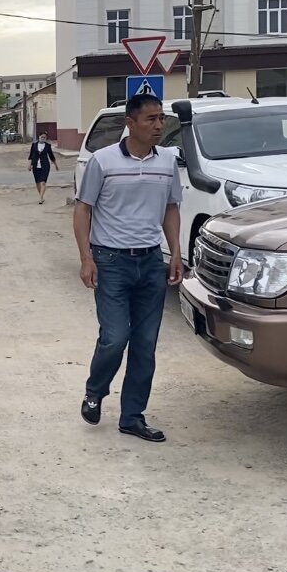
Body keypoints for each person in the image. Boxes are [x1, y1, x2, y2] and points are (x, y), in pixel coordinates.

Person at [73, 93, 184, 443]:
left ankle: (132, 417)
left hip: (150, 262)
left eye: (161, 118)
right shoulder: (103, 161)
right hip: (111, 262)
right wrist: (86, 258)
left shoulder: (167, 162)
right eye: (151, 119)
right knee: (115, 337)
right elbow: (83, 209)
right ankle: (95, 391)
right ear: (130, 123)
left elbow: (171, 208)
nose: (158, 125)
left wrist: (176, 252)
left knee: (145, 343)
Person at [27, 131, 59, 204]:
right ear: (39, 137)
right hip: (35, 166)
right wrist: (29, 164)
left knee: (43, 182)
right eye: (42, 137)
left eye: (44, 137)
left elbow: (51, 156)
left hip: (45, 166)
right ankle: (41, 196)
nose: (43, 138)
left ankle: (41, 198)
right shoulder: (34, 145)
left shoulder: (48, 146)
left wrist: (56, 165)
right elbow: (31, 155)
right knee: (37, 182)